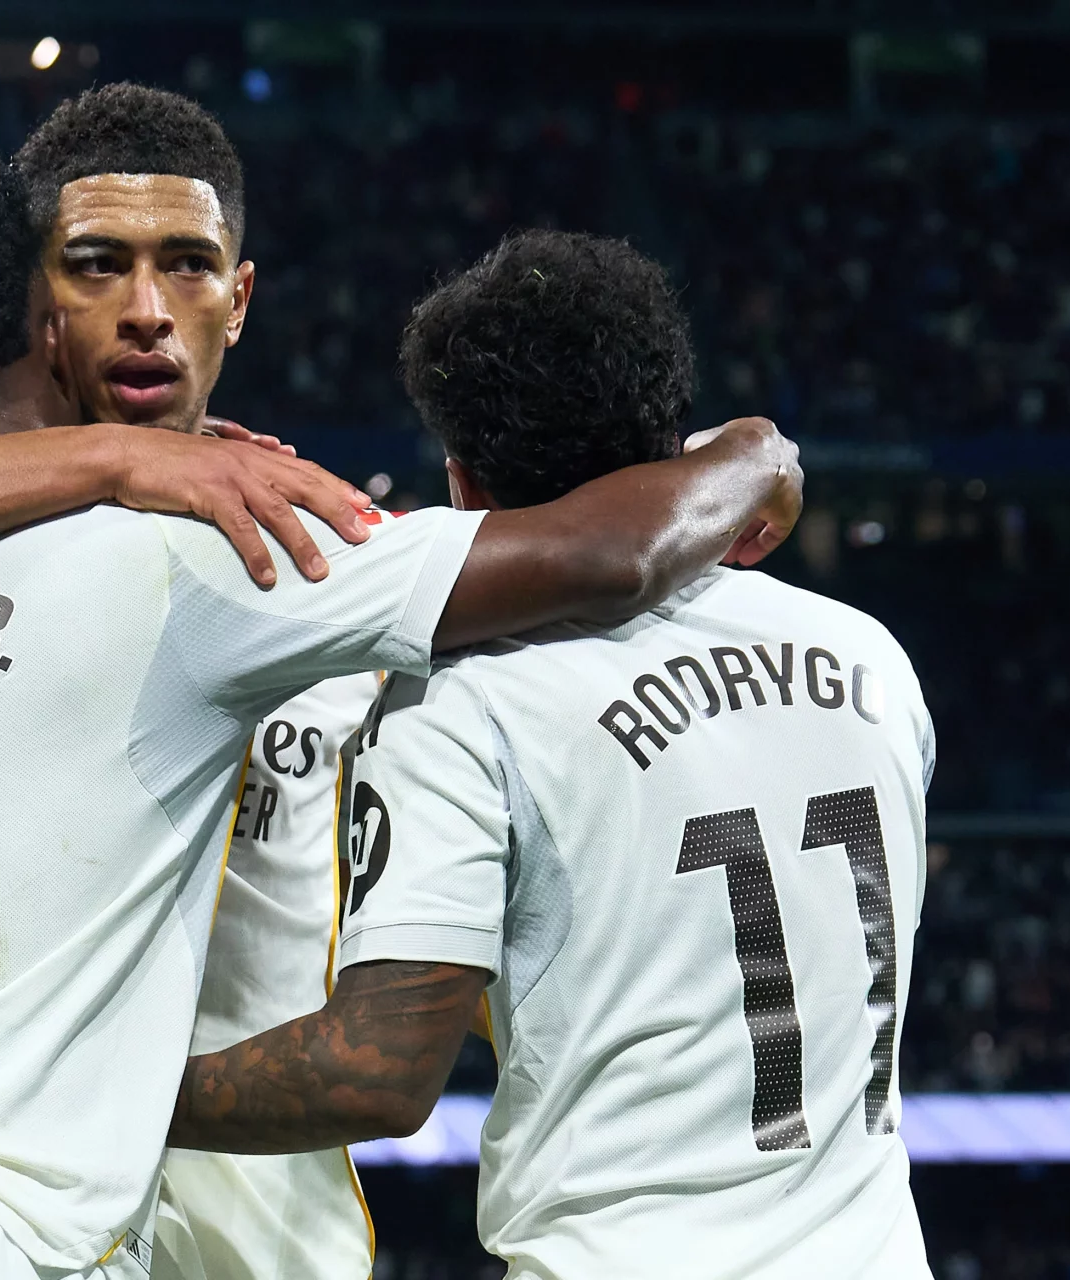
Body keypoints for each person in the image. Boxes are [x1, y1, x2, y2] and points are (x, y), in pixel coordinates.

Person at [0, 86, 800, 1280]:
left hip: (231, 1239)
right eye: (96, 266)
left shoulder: (290, 537)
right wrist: (755, 453)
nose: (148, 312)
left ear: (240, 298)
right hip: (25, 1200)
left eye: (187, 267)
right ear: (33, 304)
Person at [167, 231, 934, 1280]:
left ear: (459, 478)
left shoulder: (461, 700)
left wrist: (114, 1088)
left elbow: (378, 1071)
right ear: (674, 436)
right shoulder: (870, 659)